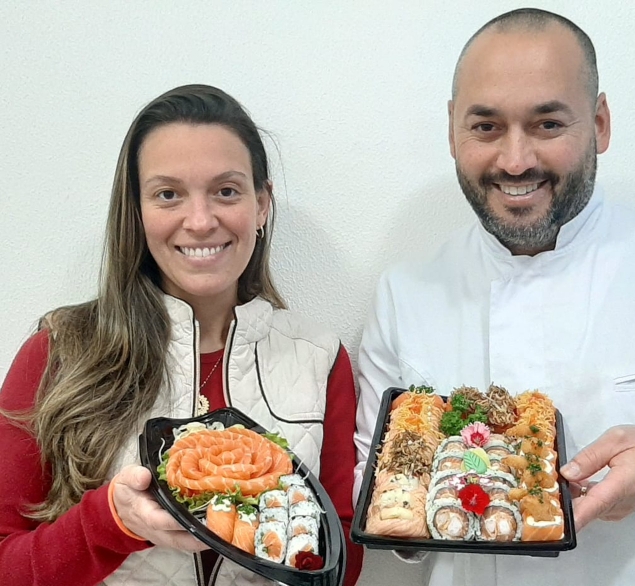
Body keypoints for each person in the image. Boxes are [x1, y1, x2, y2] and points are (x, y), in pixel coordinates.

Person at [354, 8, 635, 586]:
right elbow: (377, 501)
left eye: (547, 125)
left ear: (599, 122)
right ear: (451, 129)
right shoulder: (404, 294)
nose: (515, 161)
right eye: (485, 127)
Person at [0, 84, 363, 586]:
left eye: (226, 191)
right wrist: (114, 522)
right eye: (168, 194)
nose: (199, 221)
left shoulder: (320, 359)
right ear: (138, 209)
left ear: (261, 204)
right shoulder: (60, 350)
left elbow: (340, 562)